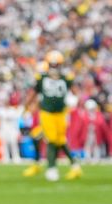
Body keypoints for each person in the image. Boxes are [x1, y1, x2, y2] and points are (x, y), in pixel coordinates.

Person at [22, 51, 82, 181]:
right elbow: (33, 92)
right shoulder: (42, 77)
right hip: (47, 113)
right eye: (52, 65)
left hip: (61, 113)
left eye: (56, 65)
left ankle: (74, 166)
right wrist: (26, 106)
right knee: (51, 139)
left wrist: (76, 103)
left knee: (59, 140)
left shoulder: (66, 77)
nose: (54, 68)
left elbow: (76, 92)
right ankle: (51, 168)